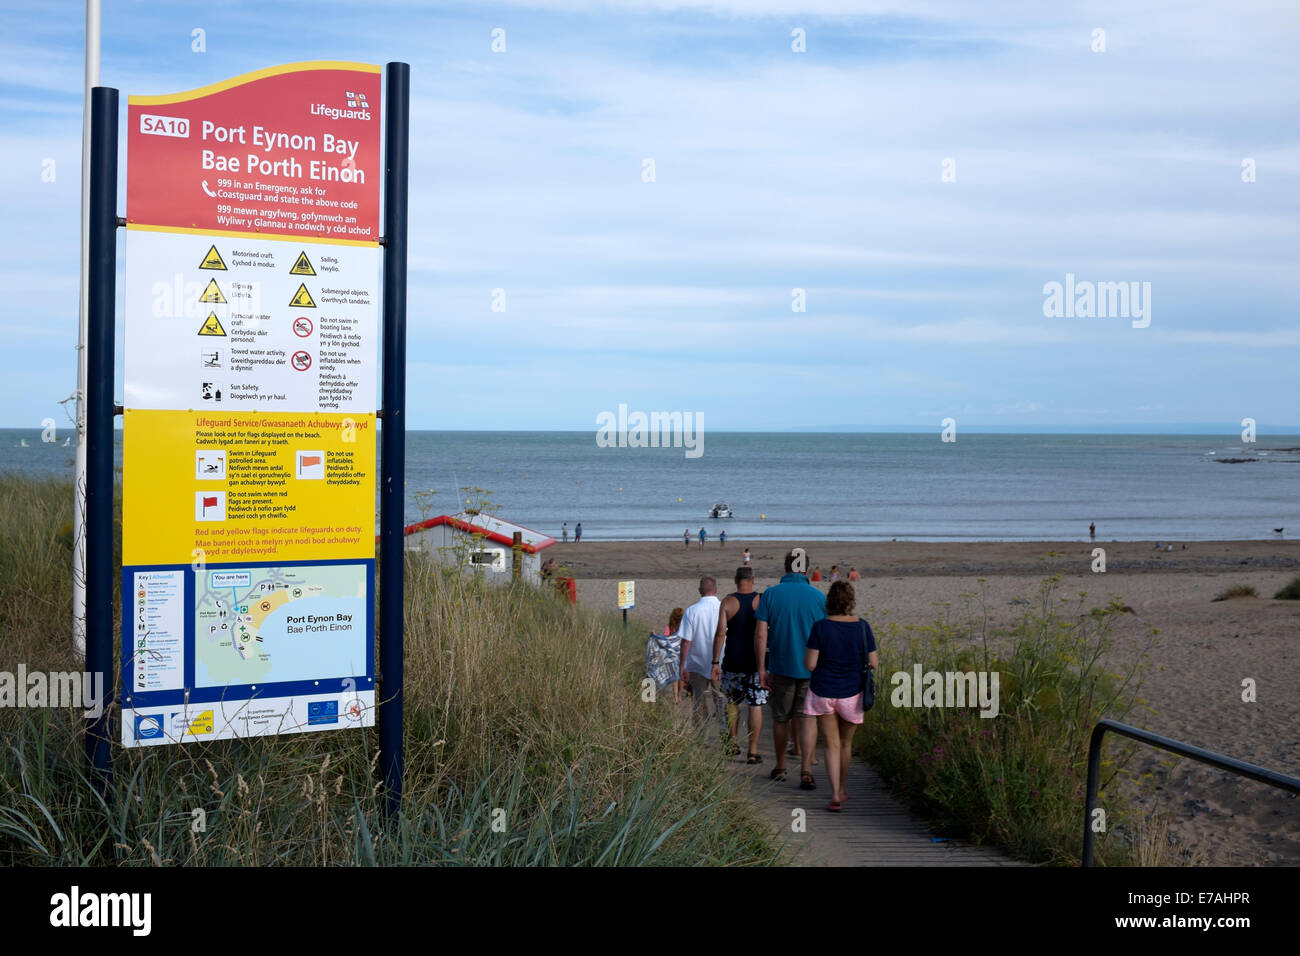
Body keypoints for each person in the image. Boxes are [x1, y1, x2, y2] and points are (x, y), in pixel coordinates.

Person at [803, 581, 878, 811]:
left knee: (831, 745)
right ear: (851, 601)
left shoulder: (820, 627)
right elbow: (873, 663)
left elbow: (810, 664)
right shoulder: (862, 627)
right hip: (852, 693)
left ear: (829, 601)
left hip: (824, 691)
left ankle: (834, 794)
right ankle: (843, 789)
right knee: (846, 744)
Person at [755, 550, 827, 786]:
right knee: (807, 719)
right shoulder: (818, 598)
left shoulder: (771, 595)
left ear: (786, 568)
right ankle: (806, 769)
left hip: (781, 666)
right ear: (806, 569)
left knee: (780, 719)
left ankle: (781, 766)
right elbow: (826, 635)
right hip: (811, 670)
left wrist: (761, 669)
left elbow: (761, 634)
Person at [714, 566, 766, 763]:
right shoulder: (760, 600)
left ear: (736, 580)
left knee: (733, 703)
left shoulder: (727, 602)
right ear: (753, 580)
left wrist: (714, 661)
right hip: (755, 661)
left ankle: (733, 743)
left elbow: (720, 633)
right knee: (755, 705)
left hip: (733, 660)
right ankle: (752, 751)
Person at [679, 577, 723, 730]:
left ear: (700, 591)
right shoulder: (723, 608)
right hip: (720, 662)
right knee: (721, 701)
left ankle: (699, 737)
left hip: (697, 663)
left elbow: (686, 642)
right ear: (716, 590)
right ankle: (726, 734)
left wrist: (682, 666)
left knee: (698, 701)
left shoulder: (692, 611)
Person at [644, 607, 685, 705]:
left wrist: (655, 636)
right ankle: (678, 695)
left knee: (675, 676)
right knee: (681, 676)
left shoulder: (670, 627)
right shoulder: (684, 627)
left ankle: (675, 697)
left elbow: (665, 640)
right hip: (681, 653)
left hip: (672, 655)